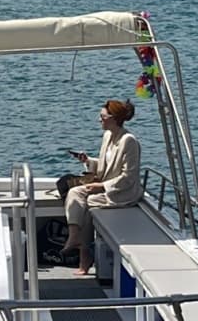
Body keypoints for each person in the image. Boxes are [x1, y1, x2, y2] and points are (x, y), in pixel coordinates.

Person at [57, 99, 141, 275]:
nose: (99, 120)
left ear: (114, 118)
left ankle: (84, 255)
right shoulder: (108, 136)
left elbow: (129, 177)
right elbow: (104, 166)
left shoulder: (129, 141)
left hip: (123, 193)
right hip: (104, 186)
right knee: (74, 193)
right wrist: (88, 161)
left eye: (102, 116)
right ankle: (74, 237)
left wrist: (102, 187)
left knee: (89, 203)